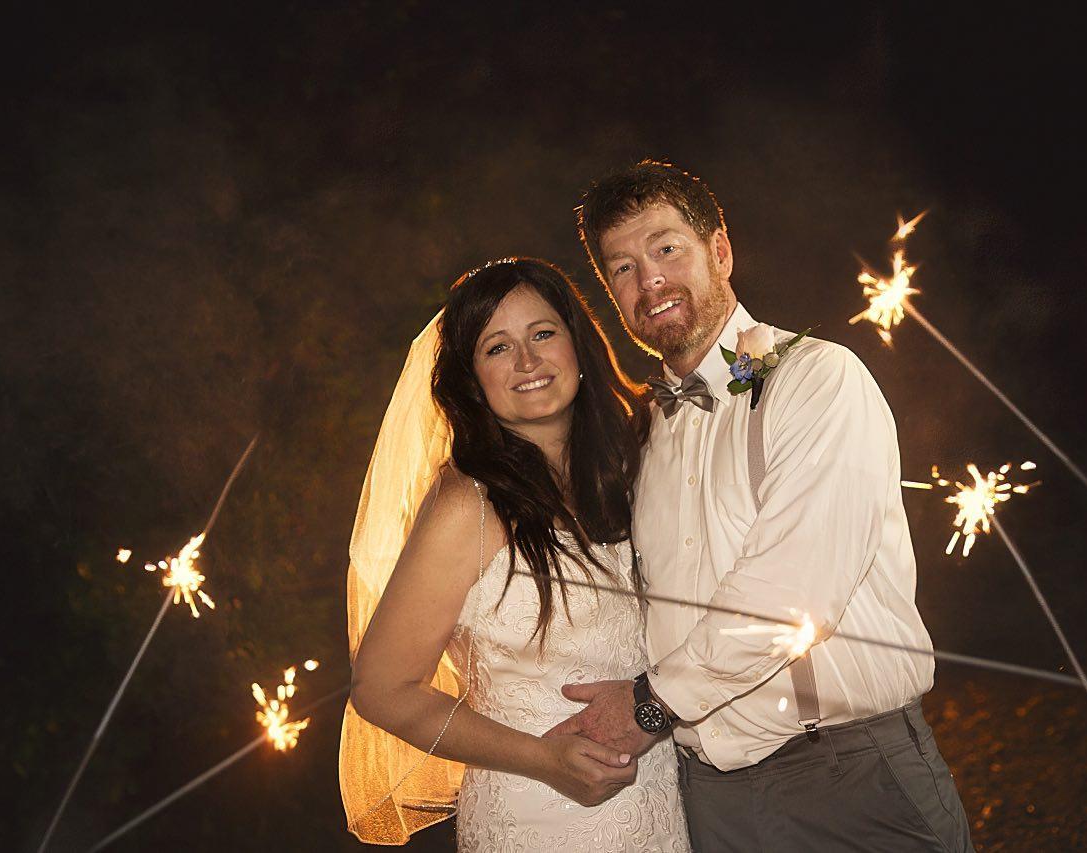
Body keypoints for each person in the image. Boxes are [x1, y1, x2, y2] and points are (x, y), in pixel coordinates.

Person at [545, 160, 973, 851]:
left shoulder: (815, 379)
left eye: (666, 249)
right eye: (623, 268)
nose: (649, 280)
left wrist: (651, 704)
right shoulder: (639, 434)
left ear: (720, 251)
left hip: (849, 779)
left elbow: (794, 592)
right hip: (708, 799)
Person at [343, 258, 690, 850]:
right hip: (537, 815)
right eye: (497, 348)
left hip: (658, 810)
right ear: (471, 377)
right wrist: (543, 760)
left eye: (542, 334)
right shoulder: (467, 505)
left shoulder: (630, 467)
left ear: (577, 343)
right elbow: (381, 688)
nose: (527, 362)